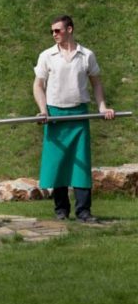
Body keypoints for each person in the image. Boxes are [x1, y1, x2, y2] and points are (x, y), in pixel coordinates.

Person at [33, 15, 114, 223]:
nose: (54, 34)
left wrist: (102, 106)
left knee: (81, 164)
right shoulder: (47, 56)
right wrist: (43, 111)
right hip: (55, 116)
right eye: (52, 31)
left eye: (58, 30)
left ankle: (83, 211)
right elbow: (38, 85)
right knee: (58, 163)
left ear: (70, 29)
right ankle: (61, 210)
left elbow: (96, 83)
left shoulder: (86, 55)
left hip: (79, 114)